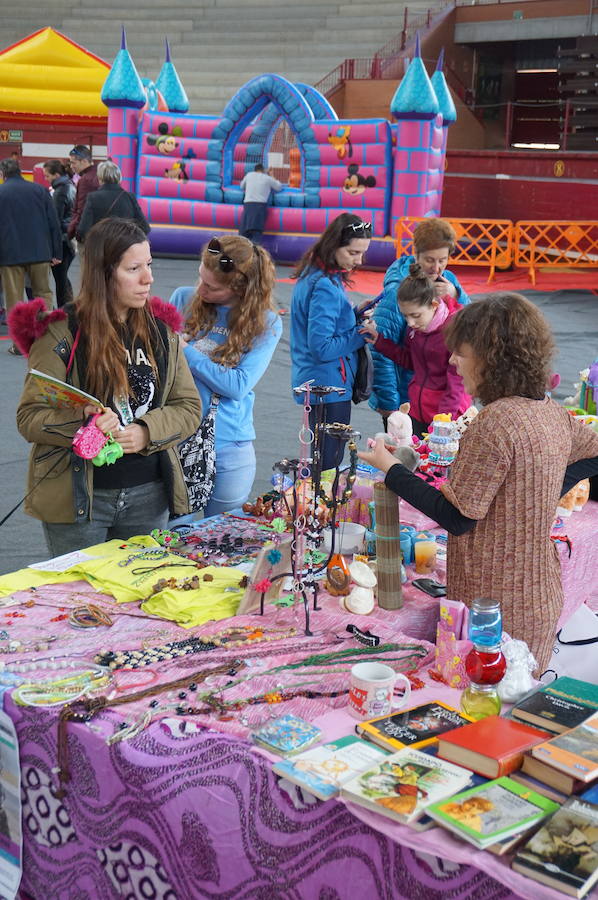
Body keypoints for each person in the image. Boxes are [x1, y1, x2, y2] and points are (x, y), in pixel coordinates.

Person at [358, 292, 598, 673]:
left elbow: (457, 517)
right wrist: (543, 488)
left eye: (461, 352)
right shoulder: (550, 411)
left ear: (492, 359)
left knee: (481, 696)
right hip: (537, 596)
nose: (453, 361)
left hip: (493, 608)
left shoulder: (495, 423)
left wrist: (392, 469)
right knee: (517, 696)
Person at [13, 218, 201, 557]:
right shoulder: (61, 333)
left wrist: (147, 431)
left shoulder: (161, 333)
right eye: (134, 268)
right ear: (103, 273)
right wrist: (82, 421)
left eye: (149, 265)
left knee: (139, 587)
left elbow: (188, 407)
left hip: (148, 496)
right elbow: (29, 417)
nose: (148, 278)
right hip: (79, 500)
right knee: (79, 588)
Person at [168, 234, 282, 517]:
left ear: (240, 289)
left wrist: (185, 350)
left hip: (228, 444)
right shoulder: (182, 298)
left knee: (221, 534)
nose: (201, 289)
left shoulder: (266, 322)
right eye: (200, 277)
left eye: (212, 287)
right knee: (170, 533)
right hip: (176, 437)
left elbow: (238, 385)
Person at [370, 218, 470, 430]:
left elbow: (472, 325)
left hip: (441, 406)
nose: (436, 268)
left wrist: (456, 294)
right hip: (407, 401)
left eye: (443, 260)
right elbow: (383, 357)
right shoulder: (400, 292)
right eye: (430, 260)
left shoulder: (448, 281)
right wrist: (389, 404)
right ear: (416, 255)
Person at [290, 213, 370, 471]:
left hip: (322, 382)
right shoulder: (324, 284)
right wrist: (361, 334)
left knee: (324, 459)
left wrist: (353, 314)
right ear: (334, 246)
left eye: (362, 253)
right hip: (328, 386)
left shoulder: (317, 275)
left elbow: (327, 323)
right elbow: (322, 347)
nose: (359, 260)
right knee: (327, 463)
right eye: (353, 253)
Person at [0, 157, 62, 355]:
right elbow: (53, 223)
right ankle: (47, 339)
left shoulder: (1, 192)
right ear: (20, 171)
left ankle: (19, 345)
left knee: (14, 299)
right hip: (40, 253)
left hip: (10, 255)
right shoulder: (40, 191)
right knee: (43, 294)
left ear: (2, 174)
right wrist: (56, 252)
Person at [77, 160, 150, 243]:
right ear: (119, 177)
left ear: (100, 178)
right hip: (123, 246)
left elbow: (83, 230)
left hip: (102, 247)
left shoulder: (93, 198)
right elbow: (145, 228)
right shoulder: (130, 197)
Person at [42, 160, 76, 307]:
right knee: (63, 278)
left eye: (47, 176)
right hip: (69, 237)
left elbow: (55, 220)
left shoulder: (60, 191)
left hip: (61, 239)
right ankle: (69, 307)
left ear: (56, 175)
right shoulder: (70, 186)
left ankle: (64, 309)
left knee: (60, 279)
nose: (46, 179)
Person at [239, 163, 282, 243]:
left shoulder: (249, 175)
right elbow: (278, 187)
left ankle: (242, 247)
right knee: (256, 231)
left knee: (244, 230)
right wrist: (271, 175)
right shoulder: (267, 178)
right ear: (263, 170)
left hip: (248, 205)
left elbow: (241, 186)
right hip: (260, 206)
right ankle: (255, 248)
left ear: (255, 170)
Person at [67, 145, 99, 241]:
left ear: (84, 161)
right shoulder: (99, 174)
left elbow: (81, 209)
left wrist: (71, 231)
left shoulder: (85, 180)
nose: (71, 166)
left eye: (73, 163)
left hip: (87, 233)